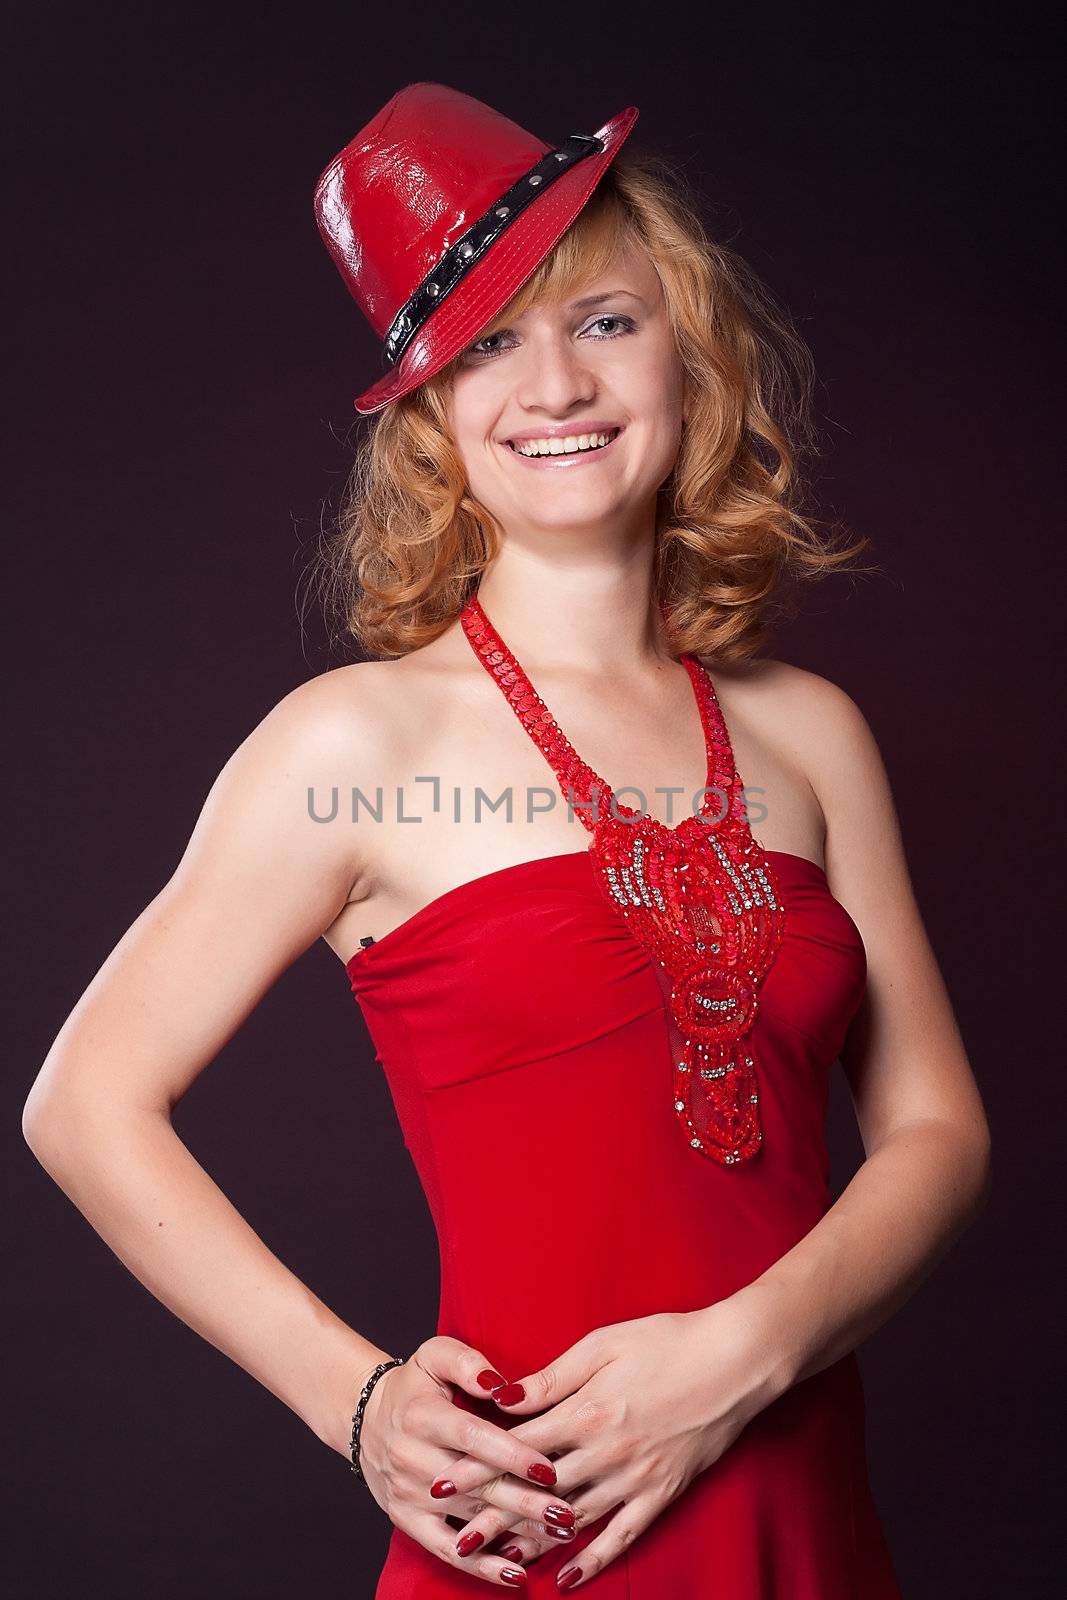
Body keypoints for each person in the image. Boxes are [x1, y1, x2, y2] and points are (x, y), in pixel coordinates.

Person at [22, 82, 991, 1597]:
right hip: (537, 1530)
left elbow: (938, 1130)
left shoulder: (812, 731)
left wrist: (743, 1354)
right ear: (430, 412)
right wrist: (353, 1399)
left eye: (603, 320)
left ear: (688, 357)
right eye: (485, 343)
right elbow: (84, 1105)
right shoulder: (354, 742)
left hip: (806, 1513)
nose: (553, 384)